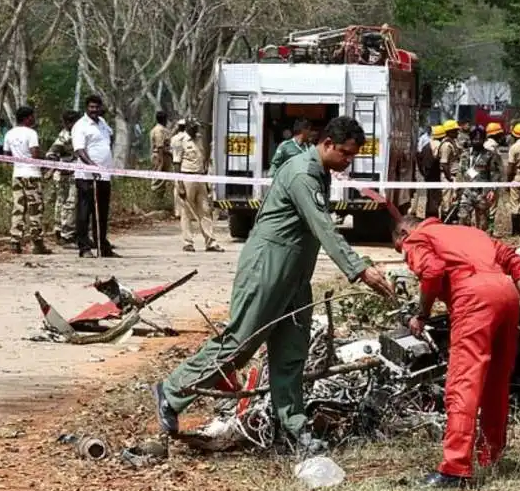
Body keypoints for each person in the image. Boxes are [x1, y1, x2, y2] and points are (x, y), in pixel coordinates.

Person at [152, 116, 395, 452]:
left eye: (352, 156)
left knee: (291, 354)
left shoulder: (319, 172)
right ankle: (173, 390)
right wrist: (359, 269)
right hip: (267, 268)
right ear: (326, 143)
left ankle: (292, 429)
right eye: (345, 153)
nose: (347, 161)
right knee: (240, 343)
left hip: (295, 277)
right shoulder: (300, 173)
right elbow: (323, 227)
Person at [391, 215, 520, 489]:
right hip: (507, 296)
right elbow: (516, 262)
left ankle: (455, 468)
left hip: (473, 299)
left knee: (464, 382)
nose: (405, 259)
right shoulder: (471, 232)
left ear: (404, 233)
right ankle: (491, 454)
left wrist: (422, 314)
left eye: (400, 251)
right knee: (496, 381)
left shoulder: (417, 238)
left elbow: (433, 270)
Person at [72, 94, 120, 258]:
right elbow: (79, 150)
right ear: (86, 108)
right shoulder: (81, 126)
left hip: (104, 176)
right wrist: (92, 165)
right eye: (91, 107)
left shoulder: (103, 123)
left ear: (101, 108)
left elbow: (110, 139)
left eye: (97, 107)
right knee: (85, 212)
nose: (94, 110)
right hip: (86, 176)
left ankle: (102, 246)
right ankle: (84, 247)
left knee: (102, 212)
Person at [4, 106, 51, 255]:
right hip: (32, 174)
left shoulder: (9, 134)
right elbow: (35, 154)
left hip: (17, 174)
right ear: (26, 118)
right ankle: (37, 242)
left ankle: (15, 242)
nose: (34, 119)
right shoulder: (31, 133)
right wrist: (45, 164)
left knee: (18, 207)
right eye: (32, 116)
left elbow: (5, 155)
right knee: (35, 208)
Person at [175, 119, 223, 252]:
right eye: (194, 128)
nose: (196, 130)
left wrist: (206, 182)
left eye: (197, 128)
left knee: (205, 210)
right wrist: (179, 184)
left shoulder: (199, 139)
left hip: (201, 177)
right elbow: (176, 163)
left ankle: (211, 242)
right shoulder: (180, 140)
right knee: (187, 212)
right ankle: (188, 242)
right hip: (186, 177)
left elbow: (203, 159)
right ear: (188, 127)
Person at [46, 110, 81, 247]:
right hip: (65, 175)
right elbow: (51, 153)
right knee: (69, 203)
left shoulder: (74, 134)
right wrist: (58, 165)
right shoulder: (65, 136)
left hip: (71, 173)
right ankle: (66, 235)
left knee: (62, 203)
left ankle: (60, 231)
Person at [456, 124, 491, 231]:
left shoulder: (489, 155)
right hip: (467, 191)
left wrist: (492, 190)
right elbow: (460, 172)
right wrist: (456, 190)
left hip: (482, 192)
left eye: (479, 138)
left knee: (482, 222)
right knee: (463, 218)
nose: (477, 141)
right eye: (474, 138)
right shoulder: (465, 155)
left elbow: (495, 173)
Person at [414, 125, 445, 218]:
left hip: (427, 174)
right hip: (434, 175)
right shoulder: (437, 146)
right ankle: (432, 216)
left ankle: (429, 215)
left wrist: (423, 172)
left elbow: (418, 156)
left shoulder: (427, 146)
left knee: (430, 197)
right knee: (434, 198)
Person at [437, 120, 461, 219]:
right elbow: (444, 163)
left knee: (453, 199)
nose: (457, 133)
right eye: (455, 131)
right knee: (446, 201)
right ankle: (445, 220)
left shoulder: (452, 143)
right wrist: (449, 177)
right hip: (448, 176)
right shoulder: (446, 145)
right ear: (449, 132)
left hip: (452, 175)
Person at [150, 111, 172, 194]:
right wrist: (161, 160)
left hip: (164, 155)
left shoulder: (163, 129)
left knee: (163, 180)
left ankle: (160, 196)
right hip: (160, 156)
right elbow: (160, 146)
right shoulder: (159, 130)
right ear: (164, 119)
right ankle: (155, 196)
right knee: (158, 179)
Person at [170, 119, 188, 217]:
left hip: (178, 165)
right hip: (184, 167)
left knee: (178, 189)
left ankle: (178, 212)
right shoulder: (186, 138)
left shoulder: (174, 138)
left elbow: (174, 157)